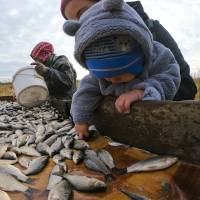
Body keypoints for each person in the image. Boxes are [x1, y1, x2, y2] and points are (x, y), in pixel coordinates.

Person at [62, 0, 181, 139]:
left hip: (160, 126)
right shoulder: (95, 70)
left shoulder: (156, 55)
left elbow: (170, 77)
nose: (112, 79)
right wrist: (81, 120)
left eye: (82, 12)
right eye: (106, 76)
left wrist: (141, 91)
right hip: (122, 129)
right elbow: (85, 92)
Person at [60, 0, 197, 101]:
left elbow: (187, 86)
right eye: (73, 21)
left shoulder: (153, 30)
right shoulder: (93, 54)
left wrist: (143, 93)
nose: (83, 22)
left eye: (83, 12)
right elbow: (91, 87)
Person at [30, 42, 77, 118]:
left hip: (68, 104)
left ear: (44, 55)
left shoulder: (61, 61)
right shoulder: (43, 67)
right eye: (35, 59)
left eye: (37, 58)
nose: (36, 61)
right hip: (55, 103)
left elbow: (67, 82)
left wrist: (47, 71)